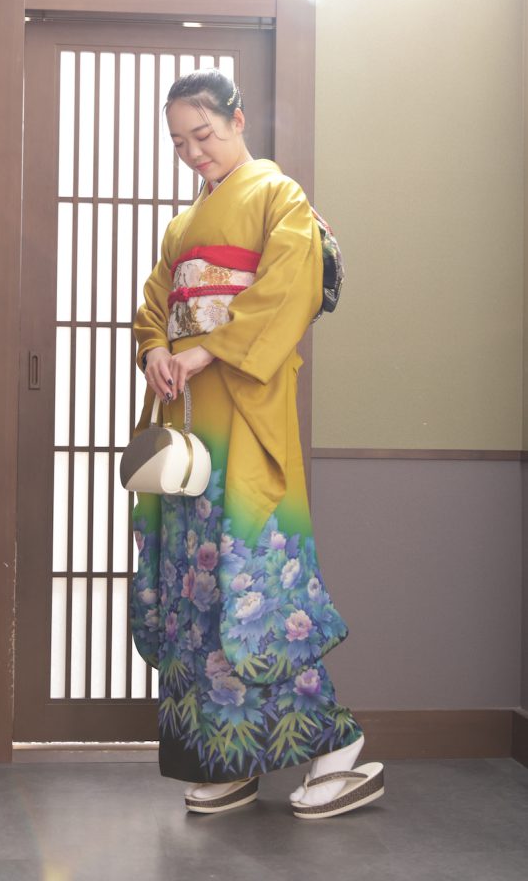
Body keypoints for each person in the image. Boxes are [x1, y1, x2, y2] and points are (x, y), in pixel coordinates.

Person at [129, 69, 384, 818]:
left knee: (257, 588)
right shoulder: (181, 227)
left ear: (238, 120)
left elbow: (289, 289)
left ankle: (337, 749)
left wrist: (207, 349)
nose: (193, 152)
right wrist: (156, 350)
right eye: (179, 142)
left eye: (203, 135)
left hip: (243, 410)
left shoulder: (279, 196)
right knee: (197, 589)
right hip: (187, 421)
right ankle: (230, 757)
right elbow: (154, 304)